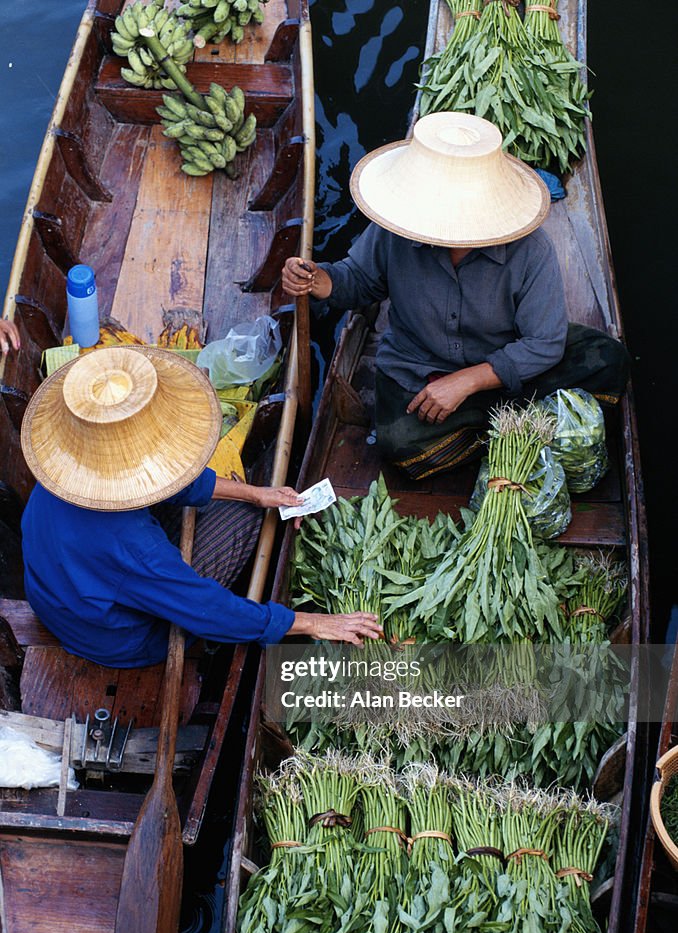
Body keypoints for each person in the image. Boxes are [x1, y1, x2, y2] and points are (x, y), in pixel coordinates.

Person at [282, 112, 630, 479]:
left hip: (501, 360)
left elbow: (544, 343)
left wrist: (468, 381)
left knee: (609, 359)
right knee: (399, 445)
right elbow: (357, 280)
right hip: (420, 367)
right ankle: (522, 425)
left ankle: (499, 426)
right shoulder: (397, 228)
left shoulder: (531, 249)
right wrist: (319, 279)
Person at [20, 346, 381, 668]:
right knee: (244, 520)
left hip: (57, 596)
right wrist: (308, 622)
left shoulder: (66, 467)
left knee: (246, 504)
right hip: (115, 637)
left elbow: (164, 477)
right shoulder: (136, 548)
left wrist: (257, 493)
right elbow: (207, 610)